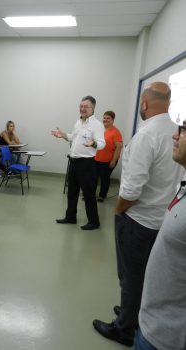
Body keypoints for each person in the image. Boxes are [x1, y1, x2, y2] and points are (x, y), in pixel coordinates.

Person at [93, 82, 183, 347]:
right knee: (145, 274)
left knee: (130, 276)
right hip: (162, 220)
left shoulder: (147, 135)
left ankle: (124, 329)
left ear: (144, 103)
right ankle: (132, 312)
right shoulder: (176, 132)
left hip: (138, 220)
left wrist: (119, 212)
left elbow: (131, 188)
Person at [135, 122, 186, 350]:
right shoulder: (183, 184)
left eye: (184, 130)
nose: (174, 135)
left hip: (166, 338)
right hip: (151, 320)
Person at [53, 95, 105, 230]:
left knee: (88, 194)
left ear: (92, 109)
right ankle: (71, 217)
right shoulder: (78, 122)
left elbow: (102, 144)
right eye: (81, 106)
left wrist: (94, 143)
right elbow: (73, 137)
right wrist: (63, 135)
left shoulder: (97, 125)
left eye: (85, 107)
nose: (82, 109)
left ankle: (94, 222)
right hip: (74, 162)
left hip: (87, 164)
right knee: (72, 191)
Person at [94, 111, 123, 202]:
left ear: (112, 120)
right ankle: (90, 194)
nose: (105, 120)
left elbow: (119, 147)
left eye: (108, 118)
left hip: (108, 160)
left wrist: (113, 161)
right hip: (96, 158)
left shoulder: (115, 132)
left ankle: (102, 195)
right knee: (93, 177)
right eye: (104, 118)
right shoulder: (100, 129)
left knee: (104, 178)